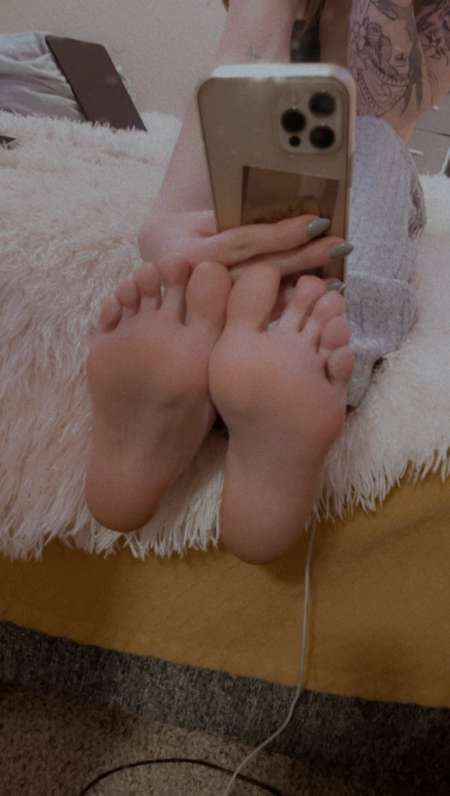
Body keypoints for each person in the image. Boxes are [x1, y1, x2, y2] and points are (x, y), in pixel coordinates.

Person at [85, 0, 449, 564]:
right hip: (289, 149)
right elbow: (252, 60)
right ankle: (290, 353)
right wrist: (167, 229)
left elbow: (256, 59)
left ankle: (220, 348)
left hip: (332, 128)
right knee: (280, 124)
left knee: (354, 138)